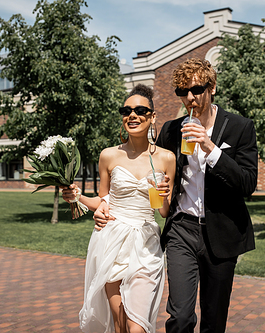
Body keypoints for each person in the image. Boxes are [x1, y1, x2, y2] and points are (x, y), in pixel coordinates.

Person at [94, 58, 258, 333]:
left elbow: (247, 183)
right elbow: (145, 165)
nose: (189, 98)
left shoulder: (239, 127)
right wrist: (105, 204)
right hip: (182, 228)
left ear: (212, 87)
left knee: (213, 320)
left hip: (222, 231)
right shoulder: (171, 130)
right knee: (180, 317)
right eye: (182, 92)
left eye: (196, 89)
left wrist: (210, 148)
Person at [62, 84, 176, 333]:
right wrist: (76, 196)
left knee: (137, 327)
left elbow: (165, 212)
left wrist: (165, 195)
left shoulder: (167, 158)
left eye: (140, 110)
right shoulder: (109, 155)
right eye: (126, 110)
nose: (132, 115)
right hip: (112, 241)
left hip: (146, 243)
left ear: (152, 116)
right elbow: (104, 201)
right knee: (120, 323)